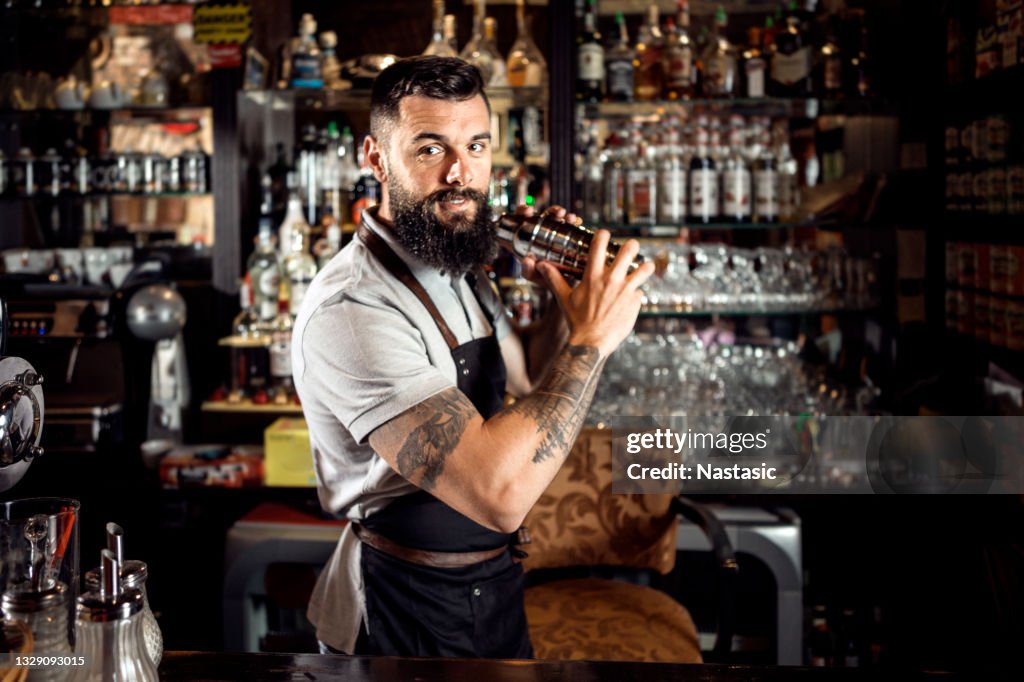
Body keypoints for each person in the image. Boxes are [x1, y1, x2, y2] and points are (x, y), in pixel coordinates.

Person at [292, 55, 653, 658]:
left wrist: (563, 304)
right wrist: (592, 339)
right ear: (376, 158)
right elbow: (499, 494)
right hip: (402, 602)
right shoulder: (353, 310)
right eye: (430, 149)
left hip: (493, 583)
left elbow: (533, 381)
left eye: (477, 146)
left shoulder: (458, 264)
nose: (461, 173)